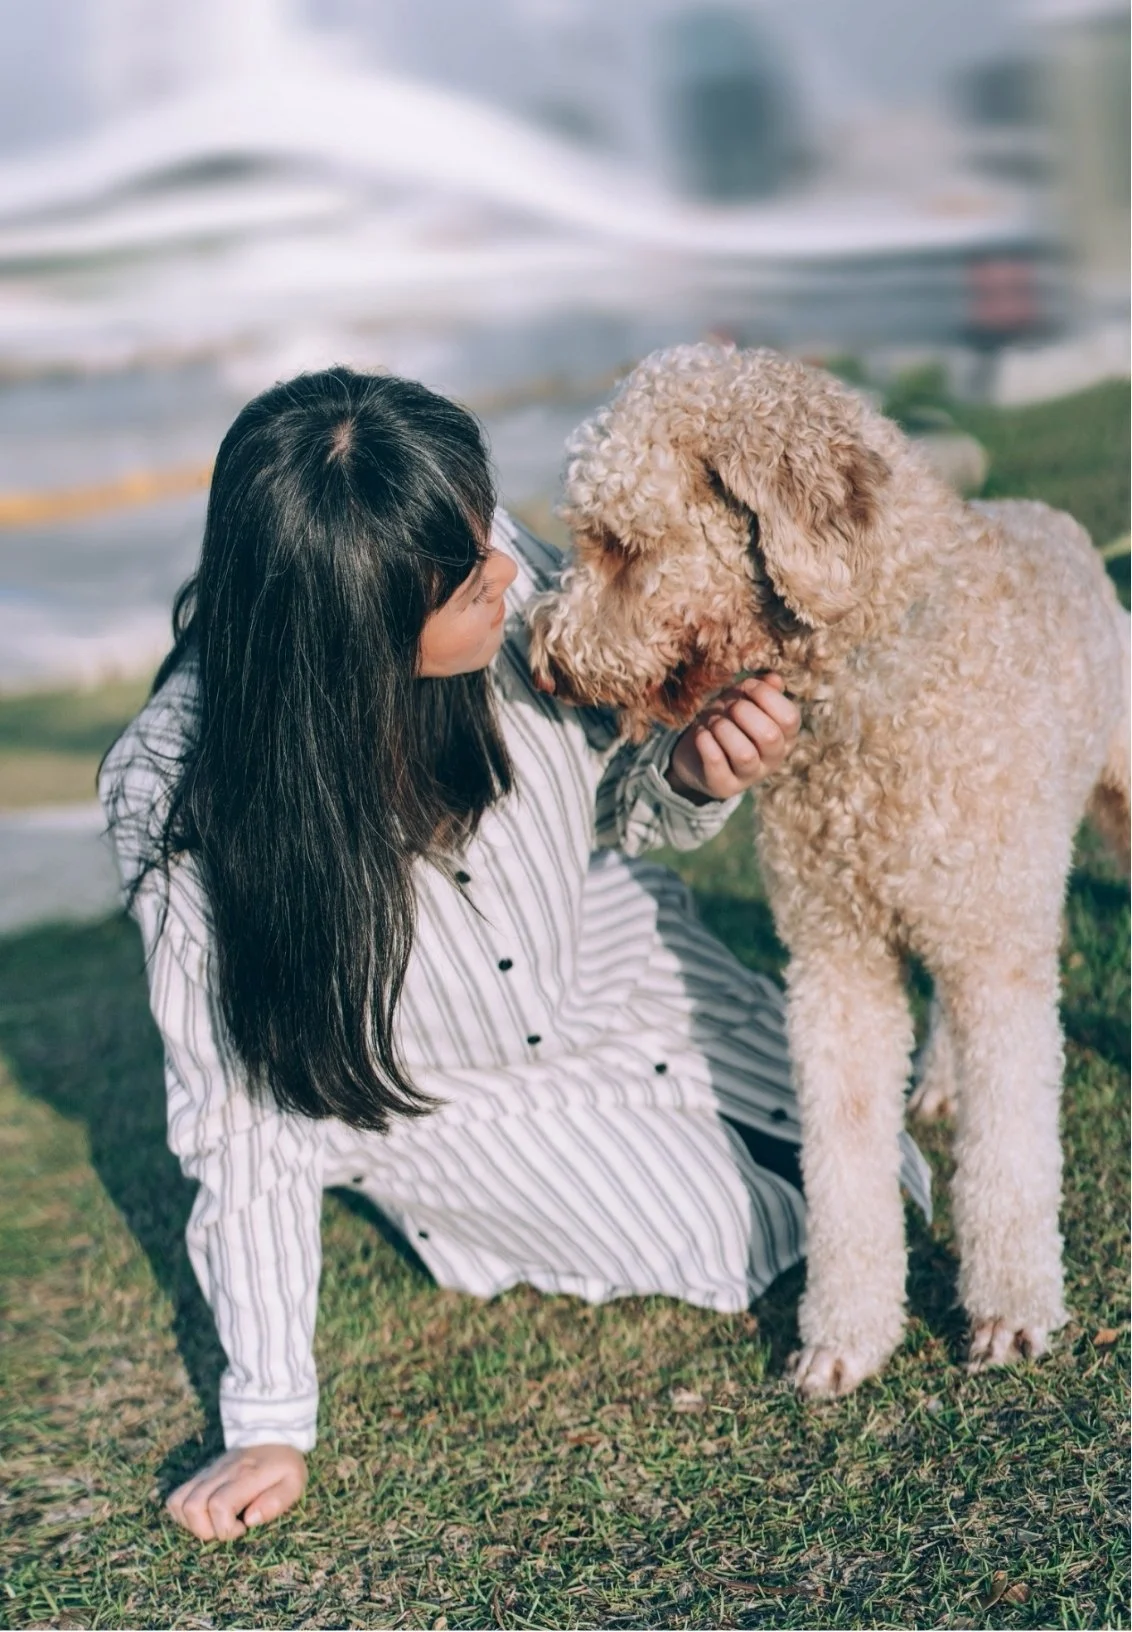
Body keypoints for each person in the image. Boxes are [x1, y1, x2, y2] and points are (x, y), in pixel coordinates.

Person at [101, 366, 928, 1543]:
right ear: (354, 628)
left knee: (870, 1156)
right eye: (469, 573)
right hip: (438, 1092)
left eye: (486, 521)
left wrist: (691, 775)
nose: (511, 565)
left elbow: (615, 805)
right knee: (723, 1232)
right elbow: (239, 1115)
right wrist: (269, 1417)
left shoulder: (497, 570)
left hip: (601, 963)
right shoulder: (181, 793)